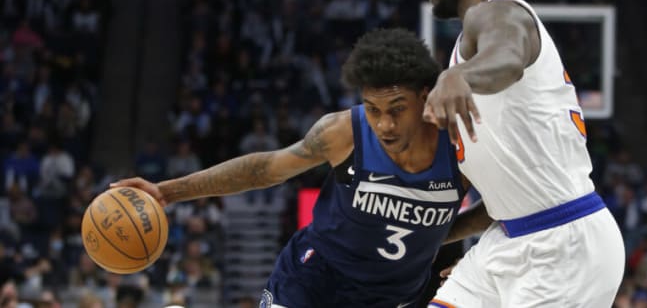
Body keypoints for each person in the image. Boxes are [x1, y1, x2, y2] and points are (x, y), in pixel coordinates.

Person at [112, 28, 492, 308]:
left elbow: (503, 208)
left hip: (393, 295)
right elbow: (264, 169)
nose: (385, 125)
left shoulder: (463, 144)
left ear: (425, 97)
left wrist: (443, 239)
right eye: (374, 110)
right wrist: (168, 191)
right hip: (316, 278)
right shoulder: (344, 131)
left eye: (397, 109)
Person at [421, 0, 625, 307]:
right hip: (508, 236)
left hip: (563, 245)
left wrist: (457, 76)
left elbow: (508, 59)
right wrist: (431, 236)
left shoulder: (502, 13)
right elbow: (509, 198)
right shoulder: (470, 41)